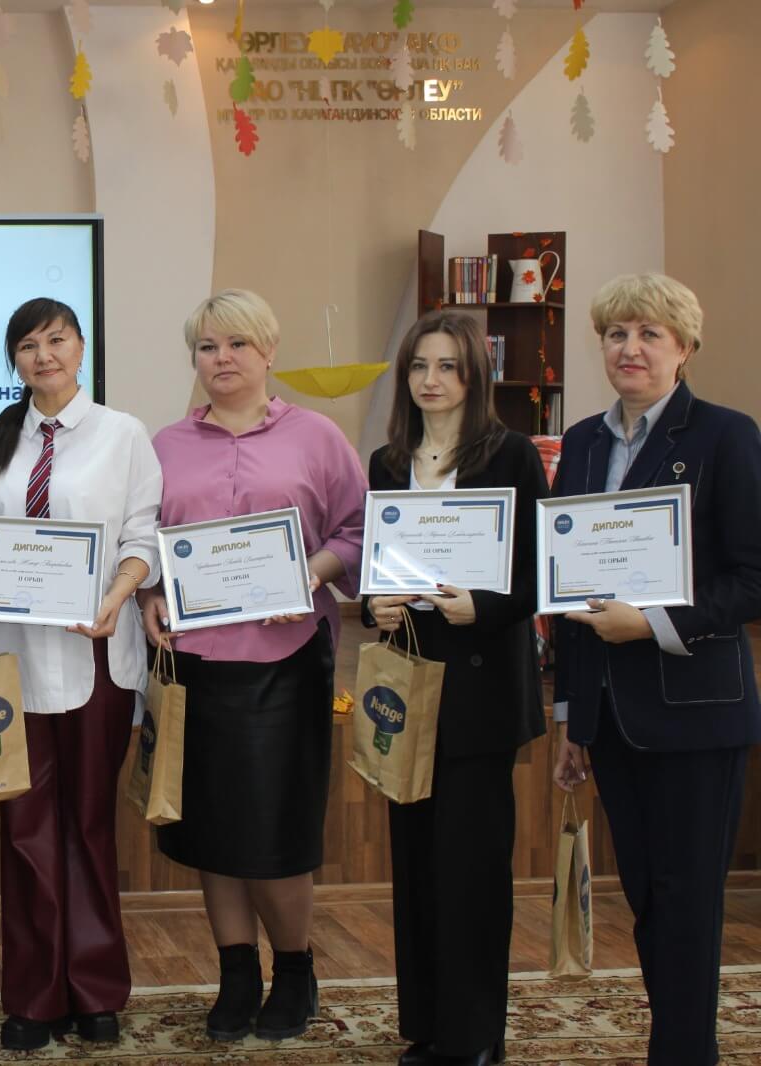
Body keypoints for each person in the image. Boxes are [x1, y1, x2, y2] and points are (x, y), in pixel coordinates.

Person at [140, 289, 365, 1044]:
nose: (222, 358)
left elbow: (358, 530)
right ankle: (236, 973)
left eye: (237, 344)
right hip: (196, 666)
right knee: (212, 830)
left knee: (275, 832)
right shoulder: (166, 445)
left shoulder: (317, 437)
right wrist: (148, 595)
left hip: (286, 662)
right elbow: (147, 544)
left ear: (269, 351)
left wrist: (309, 572)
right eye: (208, 347)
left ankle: (295, 969)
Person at [551, 274, 761, 1065]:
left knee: (686, 902)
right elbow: (568, 591)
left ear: (684, 348)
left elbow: (753, 577)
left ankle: (682, 1053)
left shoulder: (725, 436)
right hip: (609, 715)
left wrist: (654, 623)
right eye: (616, 334)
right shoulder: (582, 444)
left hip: (698, 711)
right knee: (644, 897)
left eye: (648, 334)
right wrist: (571, 717)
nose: (629, 349)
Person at [0, 298, 162, 1051]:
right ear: (14, 359)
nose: (44, 355)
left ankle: (96, 991)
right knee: (25, 829)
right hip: (12, 657)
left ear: (81, 347)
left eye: (57, 340)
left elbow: (143, 533)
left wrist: (116, 595)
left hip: (95, 651)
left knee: (90, 824)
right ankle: (34, 997)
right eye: (28, 345)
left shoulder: (122, 434)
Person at [364, 311, 547, 1066]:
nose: (431, 380)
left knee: (472, 873)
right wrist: (375, 605)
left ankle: (474, 1039)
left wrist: (487, 607)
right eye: (419, 366)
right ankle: (429, 1026)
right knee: (417, 870)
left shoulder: (512, 455)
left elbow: (538, 573)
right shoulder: (386, 462)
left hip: (480, 695)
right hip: (408, 691)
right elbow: (379, 568)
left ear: (475, 374)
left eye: (447, 366)